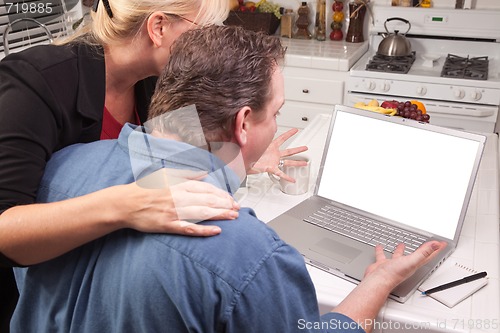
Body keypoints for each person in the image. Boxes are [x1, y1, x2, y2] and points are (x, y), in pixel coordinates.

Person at [11, 25, 446, 333]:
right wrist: (379, 281)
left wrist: (238, 162)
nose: (276, 123)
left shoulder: (61, 168)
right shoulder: (249, 255)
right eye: (275, 113)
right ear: (242, 123)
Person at [0, 0, 306, 329]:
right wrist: (127, 204)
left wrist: (242, 155)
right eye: (203, 30)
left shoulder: (156, 82)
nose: (210, 42)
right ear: (158, 27)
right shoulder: (35, 84)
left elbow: (178, 157)